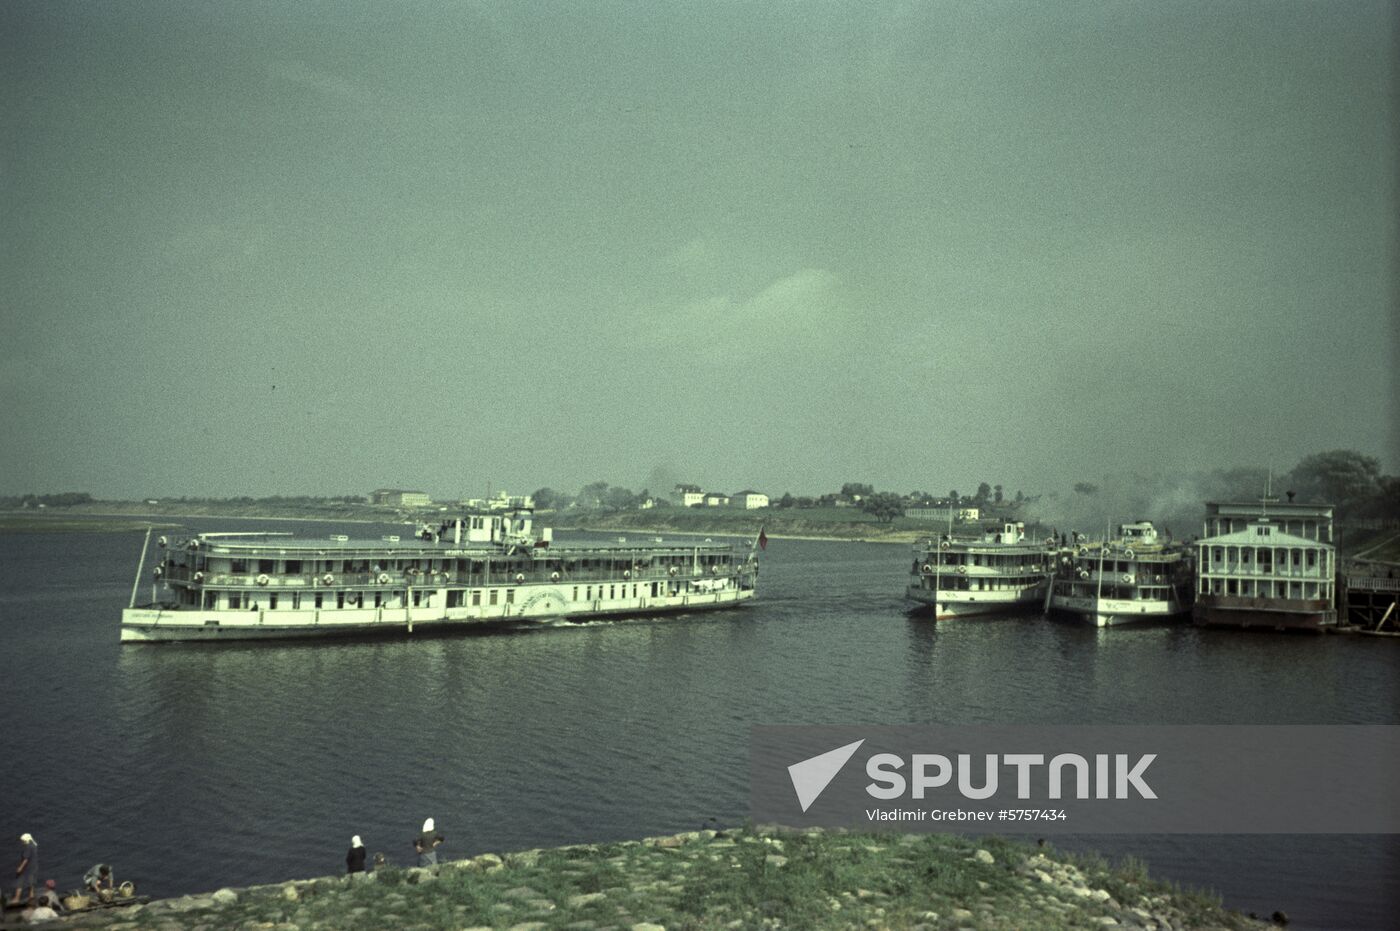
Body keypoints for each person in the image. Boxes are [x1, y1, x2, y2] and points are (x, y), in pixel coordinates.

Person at [10, 833, 37, 906]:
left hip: (26, 868)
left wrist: (20, 868)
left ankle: (16, 899)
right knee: (31, 881)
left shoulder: (28, 847)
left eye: (23, 840)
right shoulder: (34, 845)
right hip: (33, 867)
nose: (22, 842)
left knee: (19, 882)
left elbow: (26, 859)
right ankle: (31, 897)